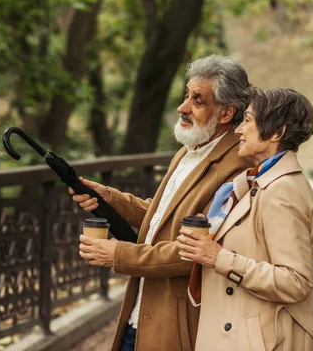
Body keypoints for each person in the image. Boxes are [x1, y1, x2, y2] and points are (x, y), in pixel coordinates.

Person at [70, 55, 252, 351]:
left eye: (198, 100)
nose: (183, 107)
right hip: (139, 314)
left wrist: (119, 254)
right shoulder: (189, 151)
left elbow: (194, 253)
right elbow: (162, 218)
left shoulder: (235, 169)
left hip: (176, 326)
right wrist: (110, 198)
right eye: (186, 96)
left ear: (225, 113)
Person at [176, 88, 313, 351]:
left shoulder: (282, 191)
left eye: (247, 120)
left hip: (258, 340)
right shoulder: (258, 181)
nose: (238, 130)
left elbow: (296, 282)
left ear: (276, 133)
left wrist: (218, 257)